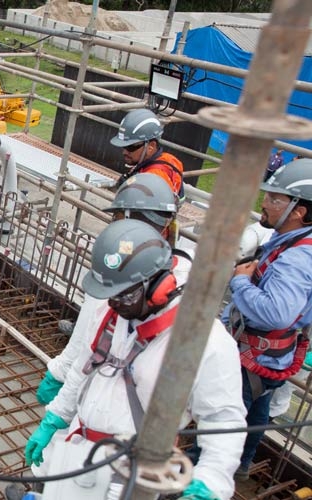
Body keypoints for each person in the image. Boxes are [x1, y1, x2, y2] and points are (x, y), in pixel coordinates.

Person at [25, 219, 245, 500]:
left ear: (160, 285)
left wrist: (212, 480)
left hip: (130, 476)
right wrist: (55, 418)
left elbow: (224, 420)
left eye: (123, 296)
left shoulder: (205, 342)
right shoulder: (112, 311)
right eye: (110, 295)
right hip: (76, 448)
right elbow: (83, 369)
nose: (114, 302)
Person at [36, 173, 189, 405]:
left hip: (121, 394)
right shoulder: (143, 261)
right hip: (104, 384)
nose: (114, 224)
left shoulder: (172, 277)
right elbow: (88, 332)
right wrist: (62, 370)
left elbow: (91, 341)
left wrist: (61, 374)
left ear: (136, 219)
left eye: (118, 217)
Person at [225, 159, 312, 479]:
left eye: (275, 199)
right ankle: (242, 465)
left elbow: (277, 312)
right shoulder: (296, 243)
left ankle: (202, 468)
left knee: (227, 419)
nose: (266, 203)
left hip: (256, 354)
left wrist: (240, 282)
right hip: (270, 355)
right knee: (256, 410)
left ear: (299, 210)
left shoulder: (297, 258)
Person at [109, 109, 185, 203]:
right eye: (123, 146)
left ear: (151, 147)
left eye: (130, 147)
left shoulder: (155, 178)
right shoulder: (161, 160)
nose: (124, 152)